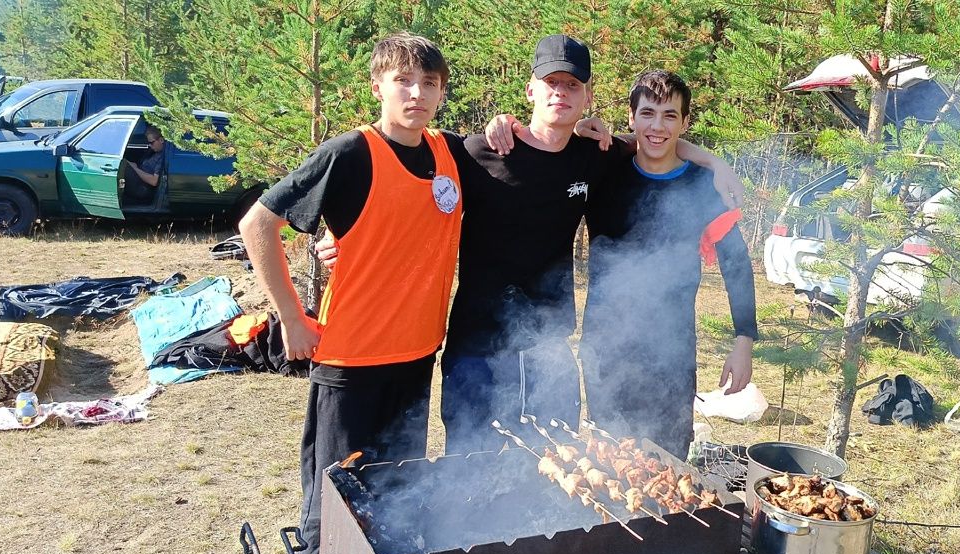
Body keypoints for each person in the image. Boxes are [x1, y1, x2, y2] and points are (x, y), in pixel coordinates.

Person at [316, 35, 744, 456]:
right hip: (476, 349)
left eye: (572, 85)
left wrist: (713, 161)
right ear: (530, 90)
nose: (561, 92)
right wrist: (343, 232)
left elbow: (653, 141)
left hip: (549, 351)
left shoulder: (593, 154)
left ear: (587, 97)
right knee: (469, 466)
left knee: (554, 466)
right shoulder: (479, 150)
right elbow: (409, 182)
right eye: (551, 82)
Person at [237, 32, 469, 554]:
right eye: (403, 81)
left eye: (429, 83)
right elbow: (257, 225)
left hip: (417, 356)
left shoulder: (448, 151)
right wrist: (292, 317)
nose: (417, 93)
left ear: (441, 92)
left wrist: (586, 131)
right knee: (334, 504)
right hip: (351, 361)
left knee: (398, 493)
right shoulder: (349, 154)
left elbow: (520, 148)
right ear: (377, 87)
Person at [581, 70, 757, 459]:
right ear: (631, 118)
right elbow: (562, 141)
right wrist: (579, 126)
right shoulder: (604, 173)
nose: (657, 127)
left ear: (685, 122)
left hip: (672, 356)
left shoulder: (704, 186)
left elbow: (736, 263)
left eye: (670, 116)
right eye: (647, 113)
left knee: (669, 466)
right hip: (605, 351)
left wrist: (743, 340)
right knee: (610, 464)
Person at [124, 125, 166, 204]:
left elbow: (154, 181)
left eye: (151, 142)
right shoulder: (156, 152)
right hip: (139, 179)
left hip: (144, 187)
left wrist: (135, 168)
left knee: (121, 166)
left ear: (161, 140)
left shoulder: (163, 157)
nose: (150, 145)